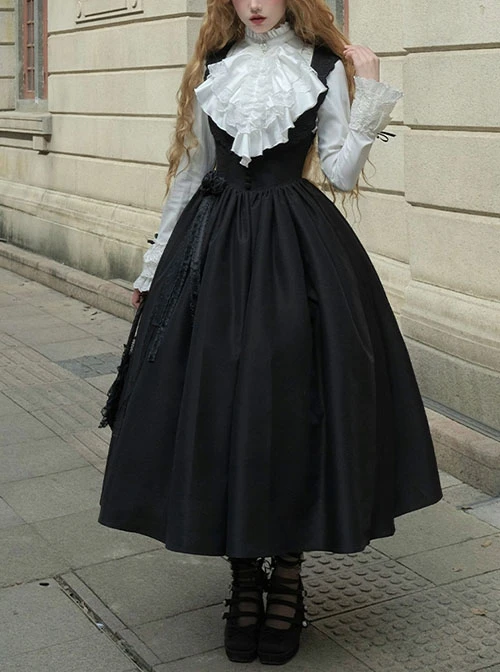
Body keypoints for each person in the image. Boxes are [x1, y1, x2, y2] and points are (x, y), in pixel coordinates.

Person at [98, 0, 443, 665]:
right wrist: (153, 264)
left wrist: (369, 92)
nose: (253, 4)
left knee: (288, 406)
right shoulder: (214, 63)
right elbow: (193, 173)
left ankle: (286, 576)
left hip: (297, 254)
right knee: (219, 406)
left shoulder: (323, 65)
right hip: (212, 253)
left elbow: (340, 171)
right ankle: (241, 577)